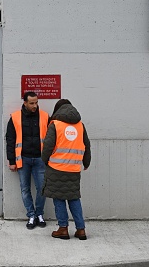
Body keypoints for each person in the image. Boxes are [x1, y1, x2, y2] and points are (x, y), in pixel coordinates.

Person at [41, 99, 91, 241]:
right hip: (74, 169)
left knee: (59, 199)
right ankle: (81, 230)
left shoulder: (55, 125)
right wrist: (86, 162)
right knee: (74, 198)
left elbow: (48, 146)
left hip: (56, 168)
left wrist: (45, 161)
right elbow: (86, 145)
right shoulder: (80, 126)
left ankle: (63, 229)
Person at [6, 91, 49, 229]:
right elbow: (10, 140)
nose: (35, 105)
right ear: (25, 103)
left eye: (36, 102)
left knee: (42, 188)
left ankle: (39, 214)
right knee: (25, 189)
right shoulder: (15, 117)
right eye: (32, 103)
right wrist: (11, 161)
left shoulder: (45, 116)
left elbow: (51, 139)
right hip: (23, 159)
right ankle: (31, 215)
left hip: (40, 159)